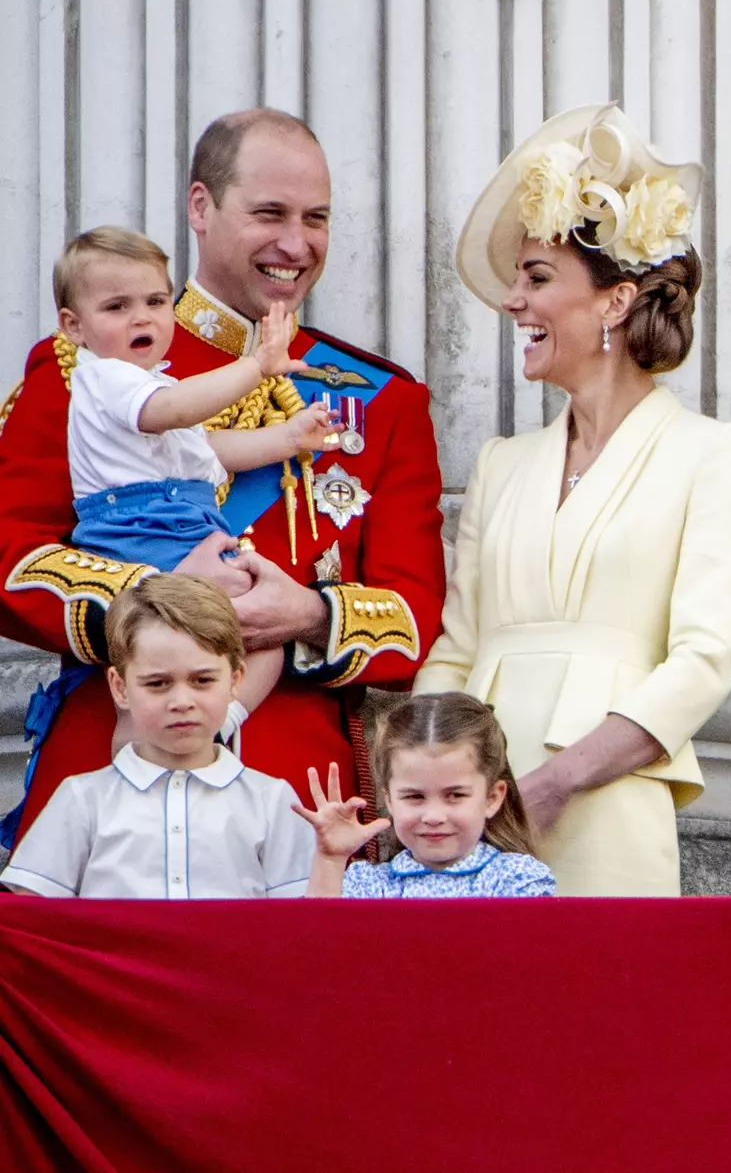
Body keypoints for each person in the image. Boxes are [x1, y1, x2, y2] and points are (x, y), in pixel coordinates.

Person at [0, 108, 445, 847]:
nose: (296, 243)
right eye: (269, 212)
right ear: (200, 208)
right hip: (113, 785)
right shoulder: (85, 368)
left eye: (316, 218)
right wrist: (156, 601)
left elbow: (414, 614)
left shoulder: (383, 401)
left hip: (298, 804)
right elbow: (8, 556)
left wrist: (306, 614)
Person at [413, 103, 731, 896]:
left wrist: (559, 781)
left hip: (608, 810)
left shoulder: (713, 454)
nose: (512, 302)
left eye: (537, 279)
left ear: (615, 301)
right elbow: (454, 652)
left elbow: (702, 661)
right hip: (471, 824)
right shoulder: (501, 464)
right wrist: (433, 786)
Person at [59, 226, 336, 749]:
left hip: (180, 519)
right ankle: (136, 768)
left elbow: (208, 450)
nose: (141, 317)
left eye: (156, 301)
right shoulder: (108, 378)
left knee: (256, 646)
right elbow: (177, 411)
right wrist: (257, 365)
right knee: (157, 663)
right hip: (144, 531)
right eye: (117, 307)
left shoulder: (151, 381)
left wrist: (288, 437)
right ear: (74, 327)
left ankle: (217, 728)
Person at [0, 574, 314, 898]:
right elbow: (34, 920)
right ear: (120, 687)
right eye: (157, 683)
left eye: (202, 680)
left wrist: (331, 858)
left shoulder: (271, 800)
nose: (181, 702)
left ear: (235, 681)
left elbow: (302, 926)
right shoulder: (82, 799)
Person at [295, 692, 555, 898]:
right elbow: (318, 949)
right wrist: (330, 860)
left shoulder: (517, 880)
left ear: (492, 798)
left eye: (455, 795)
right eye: (414, 797)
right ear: (389, 800)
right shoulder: (369, 885)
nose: (433, 816)